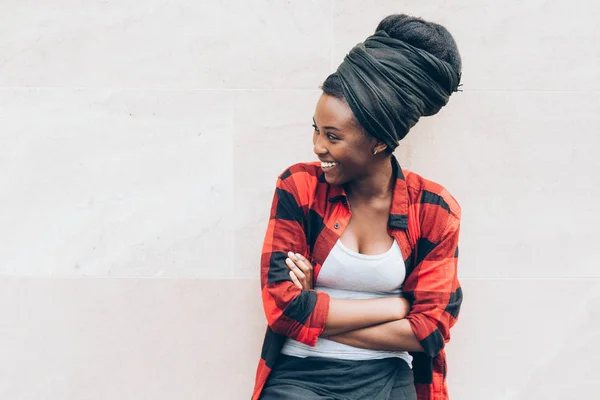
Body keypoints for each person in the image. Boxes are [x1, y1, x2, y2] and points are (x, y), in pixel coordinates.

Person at [252, 13, 463, 400]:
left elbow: (430, 330)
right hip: (299, 375)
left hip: (387, 378)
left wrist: (315, 307)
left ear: (379, 142)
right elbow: (282, 309)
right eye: (316, 129)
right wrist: (397, 306)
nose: (318, 146)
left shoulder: (434, 210)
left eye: (333, 136)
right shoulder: (298, 188)